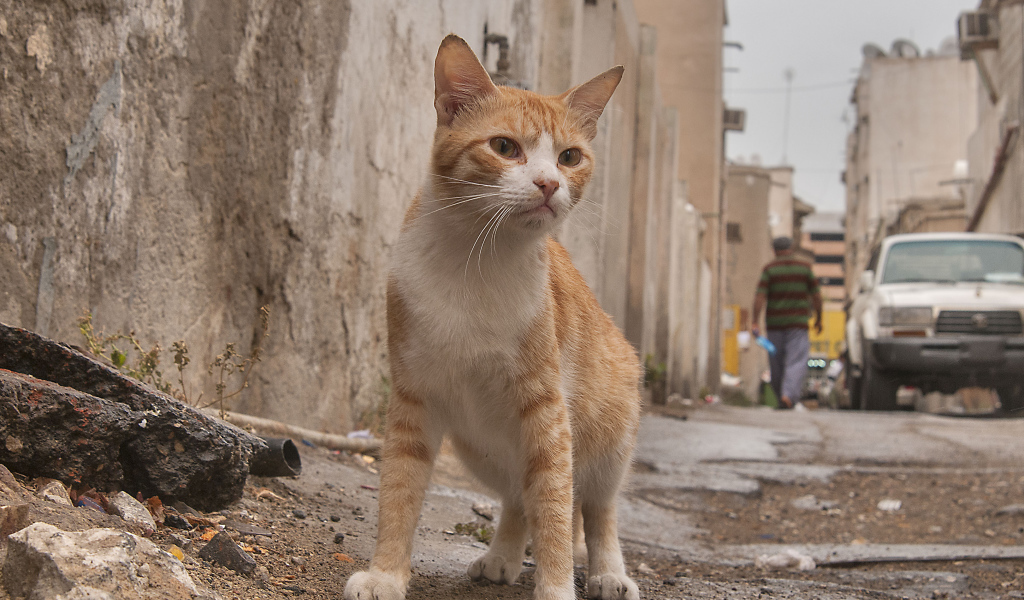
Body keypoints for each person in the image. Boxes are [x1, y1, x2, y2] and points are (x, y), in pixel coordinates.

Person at [751, 236, 823, 409]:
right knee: (796, 361)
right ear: (791, 248)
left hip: (775, 325)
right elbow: (816, 296)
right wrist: (819, 318)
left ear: (774, 250)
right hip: (798, 325)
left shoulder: (770, 269)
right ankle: (787, 395)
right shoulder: (804, 268)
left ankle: (783, 397)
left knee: (776, 363)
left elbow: (760, 296)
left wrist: (755, 321)